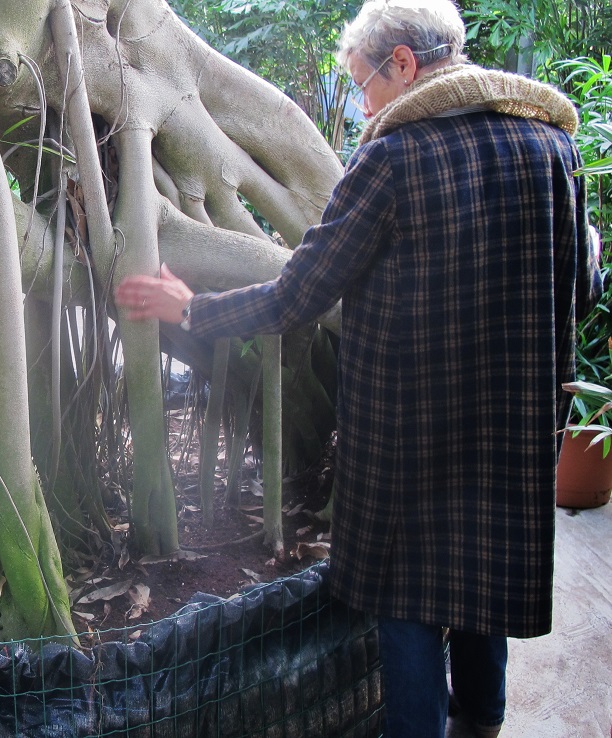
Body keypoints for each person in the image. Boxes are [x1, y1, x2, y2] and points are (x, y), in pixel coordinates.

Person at [114, 1, 600, 736]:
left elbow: (298, 295)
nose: (363, 101)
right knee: (482, 572)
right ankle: (484, 720)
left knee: (408, 597)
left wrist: (189, 309)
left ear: (403, 63)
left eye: (364, 81)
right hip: (512, 423)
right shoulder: (551, 149)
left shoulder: (392, 159)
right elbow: (583, 289)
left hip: (410, 433)